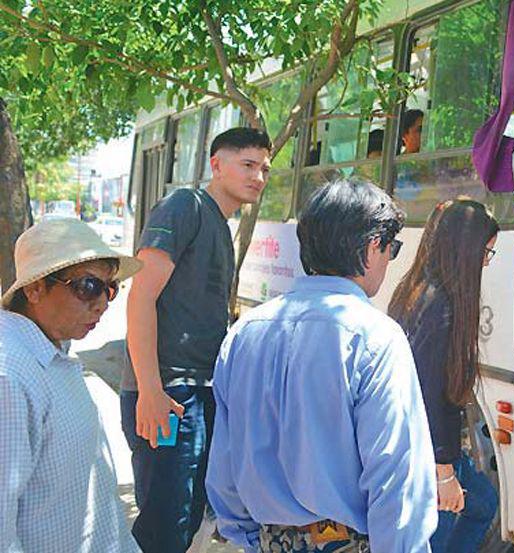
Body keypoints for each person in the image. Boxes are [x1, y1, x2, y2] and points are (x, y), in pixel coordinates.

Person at [206, 179, 437, 553]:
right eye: (391, 248)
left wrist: (254, 540)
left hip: (269, 540)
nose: (388, 259)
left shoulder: (244, 333)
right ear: (372, 244)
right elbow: (396, 479)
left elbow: (225, 468)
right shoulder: (376, 338)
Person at [122, 127, 272, 552]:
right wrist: (150, 389)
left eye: (264, 168)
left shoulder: (221, 226)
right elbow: (141, 296)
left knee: (187, 519)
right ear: (216, 164)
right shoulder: (184, 205)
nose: (258, 176)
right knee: (164, 525)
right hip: (169, 394)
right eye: (247, 164)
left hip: (198, 391)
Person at [0, 218, 141, 552]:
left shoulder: (52, 352)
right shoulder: (9, 376)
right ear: (34, 288)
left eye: (110, 289)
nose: (103, 304)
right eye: (88, 287)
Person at [388, 199, 500, 553]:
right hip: (427, 456)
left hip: (416, 446)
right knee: (461, 515)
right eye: (485, 252)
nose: (485, 262)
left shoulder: (417, 290)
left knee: (482, 503)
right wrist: (445, 473)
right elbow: (434, 396)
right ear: (465, 250)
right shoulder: (443, 309)